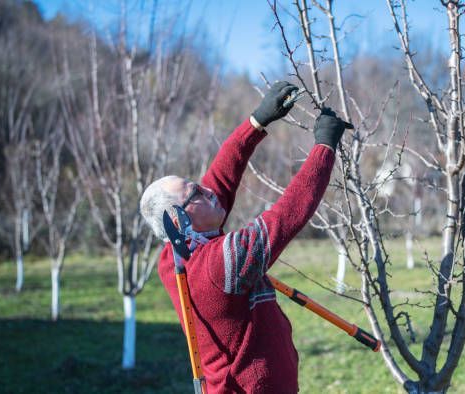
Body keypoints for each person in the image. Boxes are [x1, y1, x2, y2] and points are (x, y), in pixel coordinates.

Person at [139, 81, 351, 393]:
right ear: (178, 220)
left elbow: (220, 179)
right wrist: (324, 148)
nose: (209, 190)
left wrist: (256, 122)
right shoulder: (219, 266)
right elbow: (286, 216)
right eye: (196, 192)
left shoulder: (175, 255)